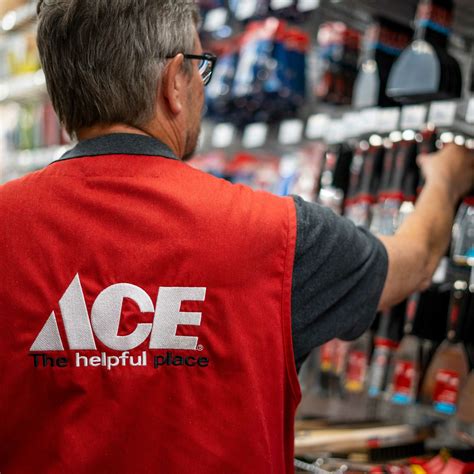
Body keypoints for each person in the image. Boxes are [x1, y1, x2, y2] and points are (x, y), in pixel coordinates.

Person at [0, 1, 472, 473]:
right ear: (174, 82)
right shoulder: (278, 235)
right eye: (199, 67)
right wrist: (445, 181)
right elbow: (413, 262)